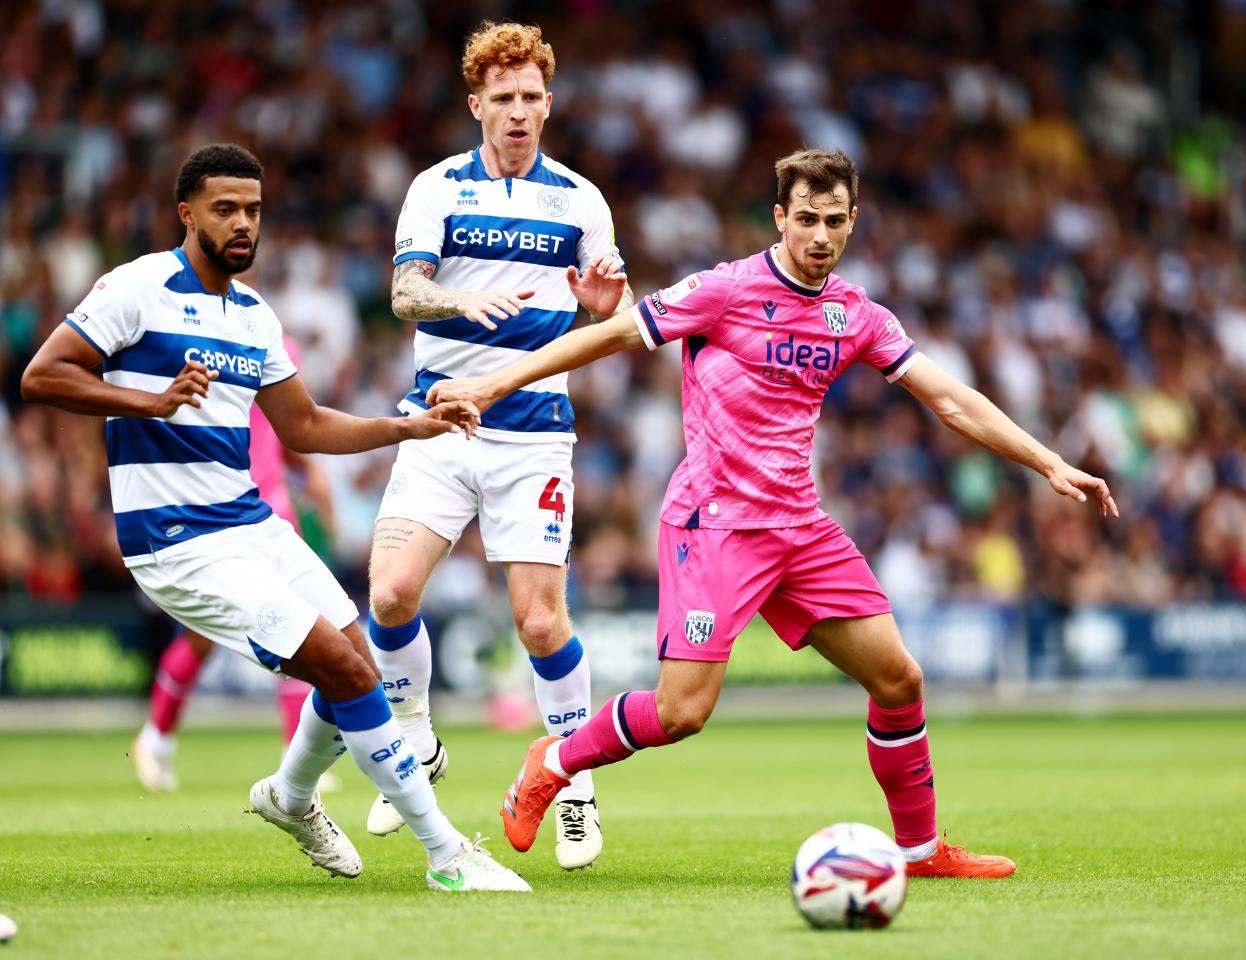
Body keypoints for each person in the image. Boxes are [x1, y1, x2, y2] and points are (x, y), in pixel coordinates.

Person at [428, 148, 1120, 878]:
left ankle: (918, 851)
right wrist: (494, 384)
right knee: (681, 713)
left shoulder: (854, 313)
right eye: (806, 220)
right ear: (780, 217)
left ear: (853, 222)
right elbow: (609, 335)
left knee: (899, 680)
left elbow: (949, 398)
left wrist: (1047, 460)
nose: (819, 236)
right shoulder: (724, 291)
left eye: (834, 221)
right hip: (713, 526)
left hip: (801, 531)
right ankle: (555, 758)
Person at [21, 143, 528, 892]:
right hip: (173, 539)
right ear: (186, 213)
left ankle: (289, 798)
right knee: (348, 671)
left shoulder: (254, 316)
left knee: (360, 659)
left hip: (249, 524)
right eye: (225, 209)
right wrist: (148, 401)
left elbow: (306, 427)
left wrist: (410, 426)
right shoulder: (135, 287)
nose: (242, 224)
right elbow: (43, 374)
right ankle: (446, 852)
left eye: (252, 210)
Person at [366, 20, 631, 870]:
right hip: (439, 423)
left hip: (532, 438)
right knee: (391, 596)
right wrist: (456, 305)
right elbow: (405, 292)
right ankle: (415, 740)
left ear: (548, 104)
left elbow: (617, 314)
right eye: (502, 99)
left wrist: (601, 301)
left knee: (540, 620)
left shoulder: (581, 200)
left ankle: (576, 784)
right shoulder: (437, 188)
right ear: (475, 104)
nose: (518, 113)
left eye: (531, 99)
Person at [131, 333, 338, 794]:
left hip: (273, 506)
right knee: (203, 639)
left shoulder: (280, 344)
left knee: (303, 627)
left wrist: (311, 472)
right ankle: (156, 738)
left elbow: (283, 425)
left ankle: (295, 754)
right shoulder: (194, 343)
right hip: (219, 507)